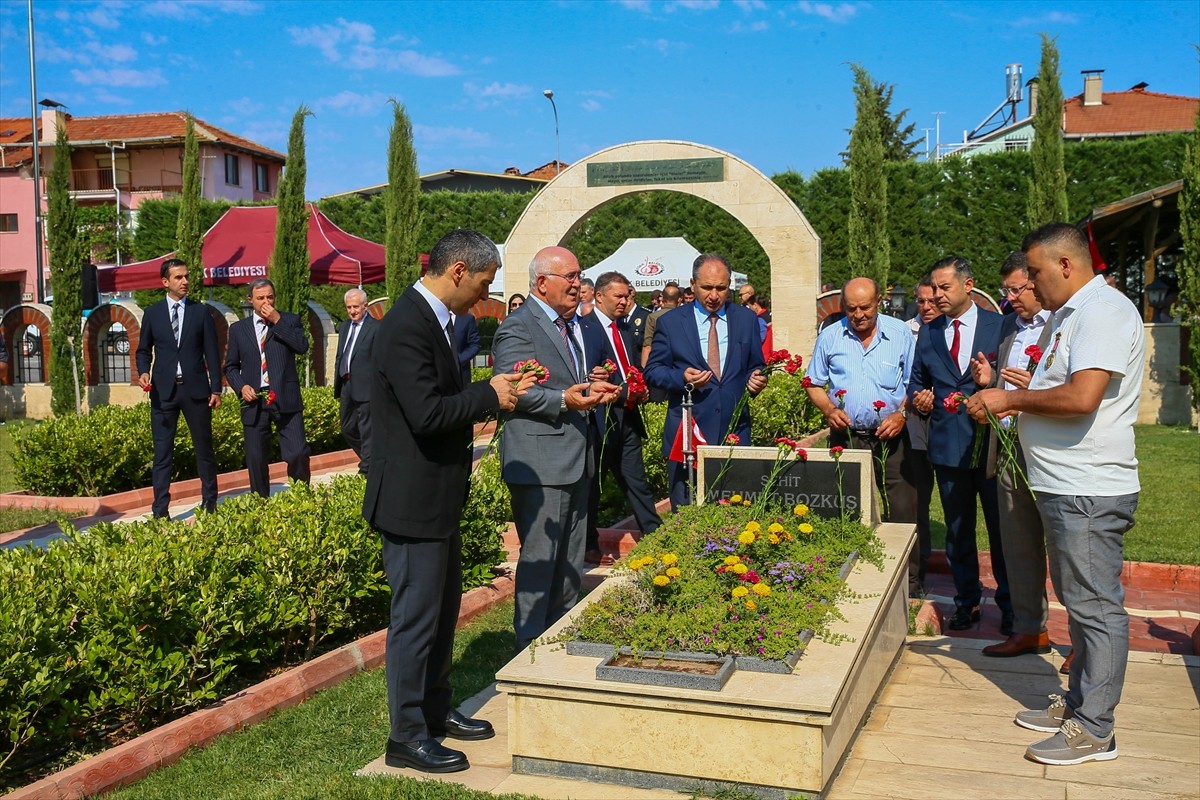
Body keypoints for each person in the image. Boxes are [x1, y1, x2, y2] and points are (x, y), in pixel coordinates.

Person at [968, 222, 1144, 766]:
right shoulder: (1072, 315)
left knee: (1095, 608)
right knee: (1081, 602)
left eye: (1037, 274)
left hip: (1088, 487)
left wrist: (1009, 401)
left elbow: (1083, 396)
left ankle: (1096, 730)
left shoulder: (1104, 312)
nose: (1030, 287)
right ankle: (1078, 704)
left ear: (1066, 265)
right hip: (1065, 484)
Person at [364, 228, 534, 774]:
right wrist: (490, 394)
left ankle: (435, 710)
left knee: (441, 613)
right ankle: (407, 734)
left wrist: (492, 386)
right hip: (410, 499)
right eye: (483, 284)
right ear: (458, 270)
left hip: (436, 495)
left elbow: (441, 401)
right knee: (416, 618)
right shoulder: (406, 325)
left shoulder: (436, 320)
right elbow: (427, 412)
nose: (484, 297)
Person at [492, 246, 619, 651]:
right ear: (542, 282)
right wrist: (566, 400)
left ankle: (562, 634)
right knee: (541, 556)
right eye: (571, 277)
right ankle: (529, 644)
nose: (578, 284)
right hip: (540, 461)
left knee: (570, 555)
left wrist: (589, 385)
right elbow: (513, 389)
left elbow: (566, 379)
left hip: (577, 457)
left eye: (580, 276)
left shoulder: (573, 325)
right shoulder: (518, 326)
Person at [908, 256, 1010, 633]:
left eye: (944, 287)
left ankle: (1010, 605)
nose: (936, 295)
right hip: (948, 447)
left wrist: (993, 379)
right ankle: (967, 601)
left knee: (1001, 531)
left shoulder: (1000, 327)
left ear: (968, 286)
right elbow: (917, 381)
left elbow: (1014, 382)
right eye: (933, 288)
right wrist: (920, 396)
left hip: (991, 448)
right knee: (958, 530)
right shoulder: (931, 332)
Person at [971, 252, 1054, 658]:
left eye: (1018, 289)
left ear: (1037, 283)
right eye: (1006, 291)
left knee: (1066, 547)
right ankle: (1029, 629)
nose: (1011, 298)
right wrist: (989, 380)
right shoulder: (1007, 328)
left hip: (1050, 450)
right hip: (1007, 449)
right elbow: (1001, 383)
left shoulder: (1060, 326)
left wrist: (1027, 397)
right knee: (1017, 546)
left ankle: (1086, 644)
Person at [645, 253, 767, 510]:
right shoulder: (670, 322)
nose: (714, 295)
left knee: (736, 513)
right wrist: (681, 377)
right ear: (692, 284)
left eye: (721, 288)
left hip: (734, 430)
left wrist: (756, 379)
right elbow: (653, 371)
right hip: (687, 434)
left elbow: (756, 364)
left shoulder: (745, 320)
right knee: (687, 514)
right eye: (707, 287)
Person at [805, 278, 917, 527]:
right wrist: (829, 409)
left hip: (893, 436)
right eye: (851, 308)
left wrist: (901, 414)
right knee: (846, 510)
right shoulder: (830, 336)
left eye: (865, 308)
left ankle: (909, 566)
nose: (858, 315)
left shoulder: (901, 334)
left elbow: (914, 384)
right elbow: (812, 382)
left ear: (879, 302)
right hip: (846, 437)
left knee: (902, 512)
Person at [582, 271, 662, 564]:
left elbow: (629, 367)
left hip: (627, 416)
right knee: (593, 485)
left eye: (627, 295)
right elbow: (588, 373)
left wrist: (639, 388)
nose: (625, 301)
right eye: (619, 296)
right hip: (601, 419)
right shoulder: (585, 328)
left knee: (636, 480)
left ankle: (655, 536)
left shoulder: (625, 329)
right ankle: (589, 544)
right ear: (599, 296)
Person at [135, 258, 222, 518]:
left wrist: (216, 389)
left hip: (196, 391)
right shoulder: (152, 314)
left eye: (186, 276)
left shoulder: (200, 312)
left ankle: (210, 503)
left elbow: (212, 354)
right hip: (163, 393)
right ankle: (160, 510)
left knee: (204, 450)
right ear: (165, 282)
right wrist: (143, 371)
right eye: (178, 277)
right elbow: (142, 350)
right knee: (162, 453)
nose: (184, 281)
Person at [224, 278, 310, 498]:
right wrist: (241, 387)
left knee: (298, 453)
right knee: (256, 457)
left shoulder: (289, 320)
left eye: (269, 297)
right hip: (254, 401)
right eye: (260, 298)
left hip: (286, 397)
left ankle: (301, 498)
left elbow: (302, 346)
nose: (266, 302)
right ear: (250, 300)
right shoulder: (238, 330)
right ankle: (260, 503)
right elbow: (231, 367)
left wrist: (277, 320)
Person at [905, 277, 940, 595]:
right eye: (921, 301)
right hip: (914, 426)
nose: (927, 307)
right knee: (918, 499)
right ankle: (919, 563)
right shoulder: (906, 332)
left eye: (933, 301)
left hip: (947, 424)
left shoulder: (948, 330)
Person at [333, 288, 378, 475]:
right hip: (346, 385)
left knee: (367, 429)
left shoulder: (376, 327)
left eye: (355, 307)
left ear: (365, 306)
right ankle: (375, 458)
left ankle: (367, 468)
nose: (352, 311)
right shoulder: (344, 327)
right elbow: (341, 354)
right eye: (348, 307)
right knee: (347, 428)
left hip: (366, 386)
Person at [453, 312, 481, 384]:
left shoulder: (467, 319)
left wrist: (458, 360)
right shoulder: (432, 316)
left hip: (461, 373)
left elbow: (475, 344)